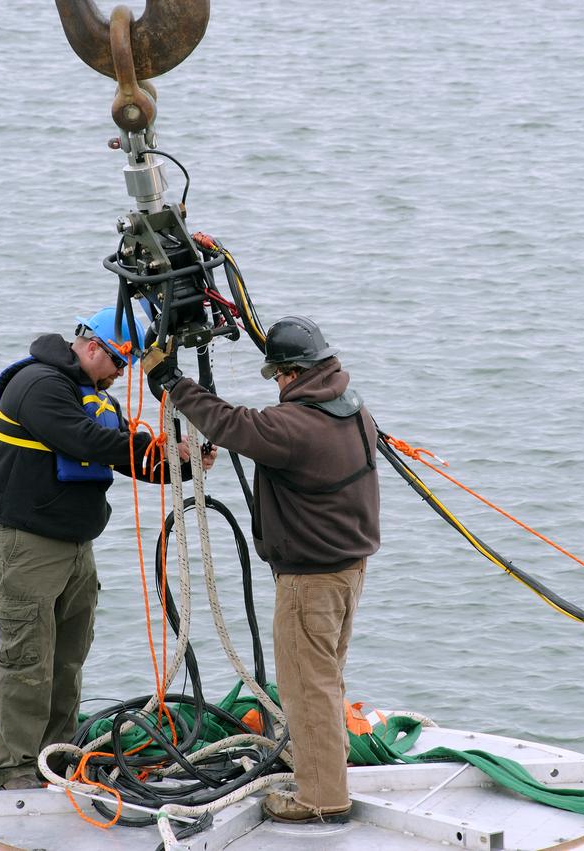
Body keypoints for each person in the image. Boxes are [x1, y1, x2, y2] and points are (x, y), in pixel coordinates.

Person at [142, 315, 381, 824]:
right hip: (348, 571)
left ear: (292, 373)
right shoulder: (354, 410)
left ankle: (321, 799)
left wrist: (171, 383)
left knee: (305, 686)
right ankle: (323, 772)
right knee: (325, 679)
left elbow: (233, 425)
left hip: (311, 581)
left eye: (277, 376)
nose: (275, 385)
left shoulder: (295, 426)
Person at [0, 306, 215, 790]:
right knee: (27, 661)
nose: (121, 374)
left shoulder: (90, 394)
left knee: (66, 659)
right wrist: (158, 446)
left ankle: (56, 758)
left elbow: (122, 449)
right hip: (26, 544)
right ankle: (17, 770)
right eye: (119, 363)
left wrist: (181, 464)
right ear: (91, 348)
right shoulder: (38, 385)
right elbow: (85, 439)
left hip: (74, 547)